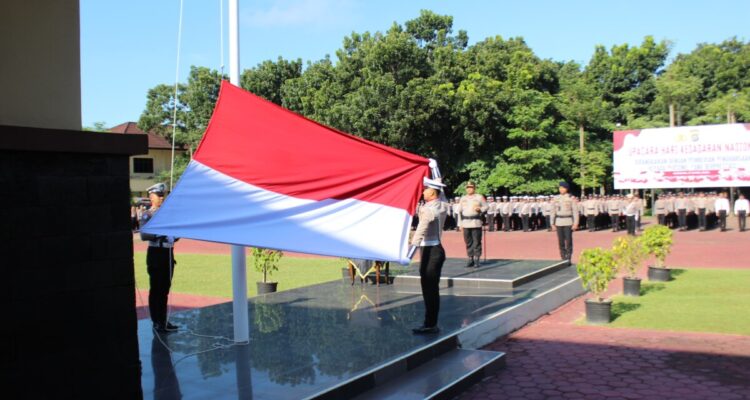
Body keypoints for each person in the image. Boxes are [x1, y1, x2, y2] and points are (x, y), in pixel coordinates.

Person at [409, 177, 448, 335]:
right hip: (434, 249)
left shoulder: (429, 209)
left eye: (425, 189)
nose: (423, 191)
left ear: (432, 192)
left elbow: (422, 228)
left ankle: (430, 324)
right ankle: (430, 322)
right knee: (430, 288)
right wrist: (435, 172)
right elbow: (442, 194)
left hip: (431, 251)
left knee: (429, 289)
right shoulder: (442, 204)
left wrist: (411, 250)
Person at [140, 183, 180, 333]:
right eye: (159, 195)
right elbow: (144, 235)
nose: (162, 198)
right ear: (151, 197)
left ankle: (163, 320)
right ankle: (156, 321)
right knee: (156, 289)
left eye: (163, 195)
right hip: (156, 253)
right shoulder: (148, 214)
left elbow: (176, 232)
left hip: (167, 254)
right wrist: (161, 234)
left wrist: (175, 236)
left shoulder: (168, 214)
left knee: (164, 289)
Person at [457, 182, 488, 268]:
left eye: (471, 187)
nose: (469, 189)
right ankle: (470, 258)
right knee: (468, 242)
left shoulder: (479, 197)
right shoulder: (463, 198)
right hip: (465, 223)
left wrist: (480, 209)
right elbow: (459, 211)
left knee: (476, 241)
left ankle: (477, 259)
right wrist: (460, 224)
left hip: (475, 222)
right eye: (467, 187)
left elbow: (486, 206)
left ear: (474, 188)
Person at [550, 182, 579, 261]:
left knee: (569, 240)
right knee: (561, 241)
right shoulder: (556, 198)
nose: (561, 189)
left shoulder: (571, 198)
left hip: (568, 221)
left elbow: (575, 211)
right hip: (558, 221)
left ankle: (568, 257)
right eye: (560, 188)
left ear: (567, 189)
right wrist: (552, 223)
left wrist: (576, 223)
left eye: (563, 188)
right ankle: (563, 257)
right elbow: (552, 211)